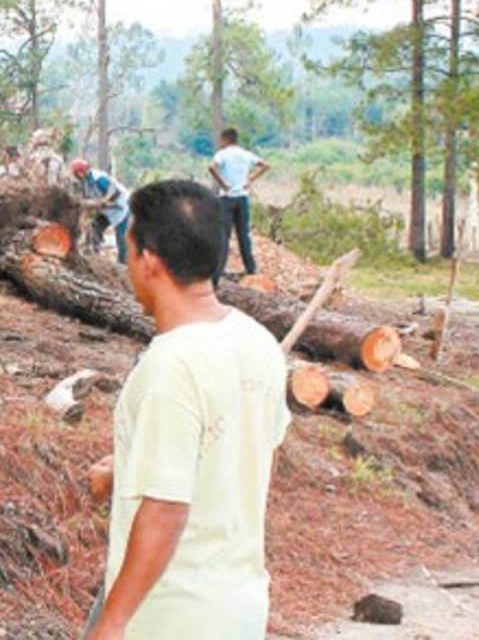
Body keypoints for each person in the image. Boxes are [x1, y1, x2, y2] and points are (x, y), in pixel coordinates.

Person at [84, 180, 289, 640]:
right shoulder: (257, 341)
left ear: (149, 260)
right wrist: (130, 466)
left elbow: (165, 509)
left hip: (169, 617)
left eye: (127, 247)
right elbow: (246, 453)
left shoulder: (170, 366)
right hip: (239, 608)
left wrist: (112, 623)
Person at [208, 128, 269, 281]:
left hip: (227, 198)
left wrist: (222, 183)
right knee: (243, 235)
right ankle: (251, 269)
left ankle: (218, 272)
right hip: (242, 197)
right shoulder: (245, 154)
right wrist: (250, 179)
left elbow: (211, 167)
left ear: (225, 139)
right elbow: (265, 165)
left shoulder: (222, 154)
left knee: (224, 235)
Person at [71, 158, 131, 264]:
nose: (75, 176)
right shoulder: (84, 182)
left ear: (81, 172)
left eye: (76, 173)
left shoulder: (99, 178)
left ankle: (124, 264)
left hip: (121, 208)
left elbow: (115, 192)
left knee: (122, 239)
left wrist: (104, 201)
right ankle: (92, 256)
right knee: (94, 228)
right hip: (106, 211)